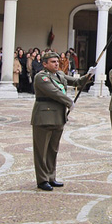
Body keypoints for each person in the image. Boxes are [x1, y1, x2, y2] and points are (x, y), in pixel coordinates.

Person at [31, 51, 92, 191]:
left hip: (58, 117)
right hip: (44, 117)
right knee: (42, 150)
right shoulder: (41, 77)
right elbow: (54, 92)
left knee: (53, 149)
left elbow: (76, 82)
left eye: (57, 61)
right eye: (53, 62)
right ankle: (42, 179)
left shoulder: (60, 75)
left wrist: (89, 75)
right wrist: (69, 101)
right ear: (45, 64)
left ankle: (51, 177)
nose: (56, 64)